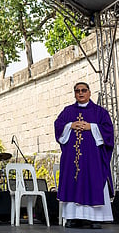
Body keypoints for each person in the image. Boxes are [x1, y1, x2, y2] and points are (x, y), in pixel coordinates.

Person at [54, 82, 114, 229]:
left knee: (93, 181)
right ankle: (72, 218)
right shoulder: (67, 111)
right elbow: (58, 126)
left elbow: (109, 131)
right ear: (74, 94)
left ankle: (95, 218)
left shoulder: (100, 112)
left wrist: (91, 127)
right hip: (71, 159)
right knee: (72, 183)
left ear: (89, 92)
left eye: (83, 90)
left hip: (93, 159)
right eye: (77, 91)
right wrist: (70, 125)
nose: (80, 93)